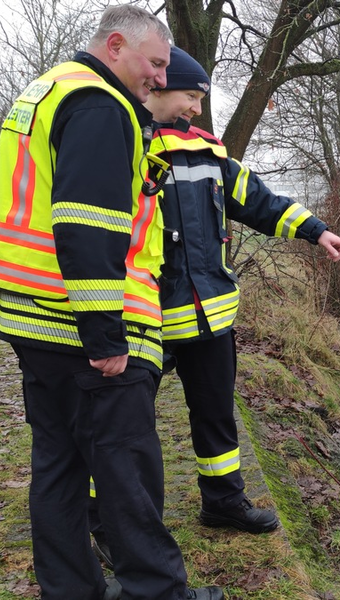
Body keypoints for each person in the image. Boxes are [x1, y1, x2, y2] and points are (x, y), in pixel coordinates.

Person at [88, 45, 340, 563]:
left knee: (215, 415)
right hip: (143, 316)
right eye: (191, 96)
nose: (196, 107)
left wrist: (316, 231)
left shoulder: (211, 153)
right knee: (122, 426)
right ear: (158, 87)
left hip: (209, 314)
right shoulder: (122, 141)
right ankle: (101, 521)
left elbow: (258, 201)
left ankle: (224, 502)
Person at [0, 6, 223, 600]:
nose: (159, 76)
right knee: (126, 467)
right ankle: (157, 592)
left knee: (57, 465)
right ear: (116, 45)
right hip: (80, 326)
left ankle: (71, 591)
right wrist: (105, 338)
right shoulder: (100, 104)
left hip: (33, 314)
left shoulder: (44, 91)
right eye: (154, 63)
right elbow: (87, 225)